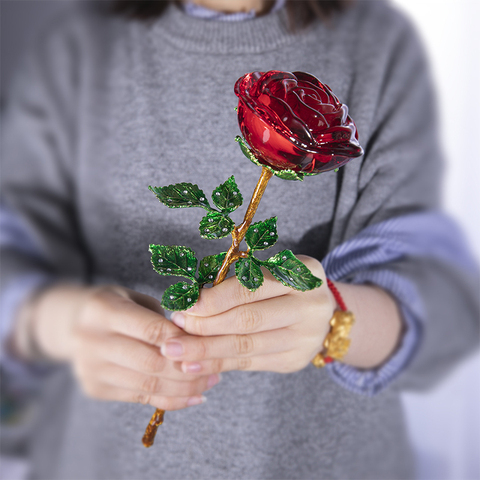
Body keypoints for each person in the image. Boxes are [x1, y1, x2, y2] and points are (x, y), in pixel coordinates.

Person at [1, 0, 478, 478]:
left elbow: (451, 307)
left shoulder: (377, 43)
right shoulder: (77, 46)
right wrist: (58, 322)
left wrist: (335, 320)